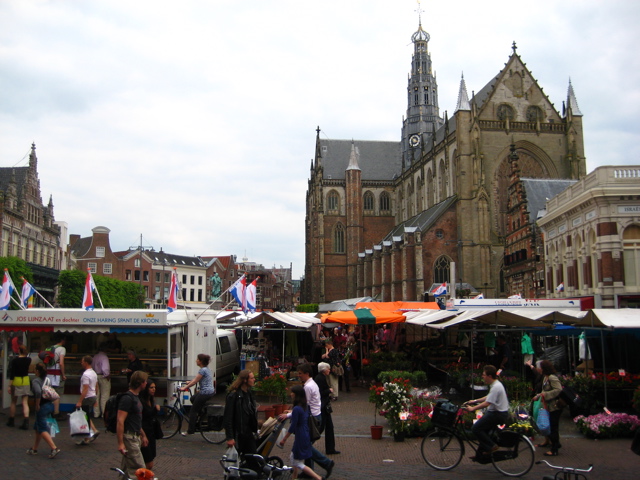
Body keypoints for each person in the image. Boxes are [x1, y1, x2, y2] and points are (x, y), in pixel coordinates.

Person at [279, 363, 334, 478]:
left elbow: (304, 406)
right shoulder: (311, 384)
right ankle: (308, 470)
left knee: (306, 445)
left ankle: (326, 463)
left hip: (311, 419)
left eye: (300, 374)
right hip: (314, 416)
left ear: (306, 374)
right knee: (306, 445)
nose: (299, 376)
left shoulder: (308, 387)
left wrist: (289, 415)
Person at [278, 385, 326, 480]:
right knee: (294, 457)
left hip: (300, 435)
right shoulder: (304, 406)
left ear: (296, 395)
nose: (291, 394)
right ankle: (294, 477)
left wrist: (284, 439)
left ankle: (318, 478)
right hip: (305, 433)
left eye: (292, 393)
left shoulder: (297, 409)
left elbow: (293, 426)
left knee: (298, 462)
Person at [466, 365, 509, 457]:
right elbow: (488, 397)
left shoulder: (496, 387)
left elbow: (487, 403)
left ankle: (491, 446)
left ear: (489, 376)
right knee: (483, 431)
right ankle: (481, 454)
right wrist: (475, 401)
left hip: (497, 414)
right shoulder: (495, 385)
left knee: (475, 428)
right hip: (498, 413)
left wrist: (472, 408)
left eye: (484, 375)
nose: (482, 377)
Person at [224, 369, 259, 470]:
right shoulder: (234, 396)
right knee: (233, 463)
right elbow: (228, 417)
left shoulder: (249, 394)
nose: (254, 380)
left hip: (248, 433)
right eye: (252, 378)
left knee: (253, 459)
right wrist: (230, 437)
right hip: (238, 434)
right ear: (245, 380)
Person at [117, 370, 149, 479]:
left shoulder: (136, 397)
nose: (146, 383)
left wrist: (143, 435)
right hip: (129, 438)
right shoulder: (127, 398)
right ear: (140, 383)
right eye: (145, 381)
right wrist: (121, 443)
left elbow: (136, 420)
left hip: (135, 436)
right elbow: (120, 421)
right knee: (139, 470)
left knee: (125, 470)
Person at [27, 362, 61, 458]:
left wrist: (37, 404)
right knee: (38, 427)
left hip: (41, 406)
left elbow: (38, 392)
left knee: (42, 428)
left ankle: (54, 448)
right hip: (49, 405)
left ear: (37, 371)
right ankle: (34, 448)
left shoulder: (35, 381)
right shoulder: (47, 380)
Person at [533, 360, 564, 456]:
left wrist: (545, 395)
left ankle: (554, 449)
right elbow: (543, 390)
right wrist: (538, 396)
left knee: (553, 426)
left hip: (555, 406)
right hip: (549, 406)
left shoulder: (552, 378)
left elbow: (558, 389)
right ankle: (555, 443)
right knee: (551, 425)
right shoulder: (545, 378)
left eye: (540, 367)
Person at [180, 353, 215, 435]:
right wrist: (189, 382)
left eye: (197, 359)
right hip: (209, 391)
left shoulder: (202, 370)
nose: (196, 360)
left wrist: (184, 387)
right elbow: (196, 379)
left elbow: (195, 381)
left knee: (192, 411)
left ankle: (190, 430)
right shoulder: (206, 369)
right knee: (192, 399)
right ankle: (201, 412)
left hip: (205, 392)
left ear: (201, 361)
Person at [315, 362, 339, 454]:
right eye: (328, 369)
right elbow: (320, 392)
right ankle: (310, 442)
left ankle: (330, 448)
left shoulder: (320, 377)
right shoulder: (320, 378)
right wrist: (329, 390)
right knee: (323, 427)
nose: (329, 370)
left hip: (324, 405)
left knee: (329, 427)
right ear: (324, 370)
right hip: (323, 406)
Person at [7, 344, 32, 429]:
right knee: (25, 402)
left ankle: (11, 420)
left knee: (13, 401)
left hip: (16, 380)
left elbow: (12, 374)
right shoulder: (28, 359)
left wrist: (9, 385)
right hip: (25, 380)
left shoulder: (15, 361)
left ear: (19, 351)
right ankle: (26, 421)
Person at [76, 355, 100, 444]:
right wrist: (96, 398)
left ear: (86, 362)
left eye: (82, 361)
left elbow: (85, 389)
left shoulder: (86, 375)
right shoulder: (94, 373)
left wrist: (79, 401)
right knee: (86, 416)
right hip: (93, 396)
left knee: (84, 417)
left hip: (87, 397)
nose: (81, 363)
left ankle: (92, 432)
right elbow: (96, 386)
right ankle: (87, 437)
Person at [140, 380, 161, 469]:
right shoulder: (141, 401)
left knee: (151, 456)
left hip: (151, 431)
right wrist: (155, 410)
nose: (153, 389)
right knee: (148, 461)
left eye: (154, 387)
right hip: (144, 431)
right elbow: (146, 414)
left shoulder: (152, 400)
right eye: (151, 387)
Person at [47, 334, 67, 420]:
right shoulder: (62, 349)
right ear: (62, 340)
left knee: (49, 393)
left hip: (49, 374)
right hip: (57, 375)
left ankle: (48, 411)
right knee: (57, 395)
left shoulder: (49, 348)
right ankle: (56, 413)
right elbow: (61, 363)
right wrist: (63, 374)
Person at [92, 342, 111, 419]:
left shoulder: (95, 356)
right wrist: (107, 375)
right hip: (103, 377)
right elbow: (105, 368)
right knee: (105, 396)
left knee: (96, 395)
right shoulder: (104, 357)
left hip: (95, 376)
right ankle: (104, 413)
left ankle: (96, 413)